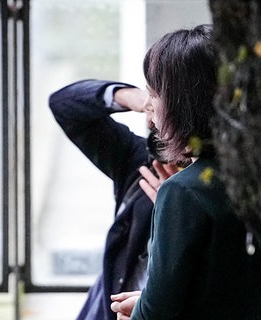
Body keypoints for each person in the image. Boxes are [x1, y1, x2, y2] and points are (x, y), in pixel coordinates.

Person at [110, 25, 261, 319]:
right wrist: (148, 300)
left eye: (154, 94)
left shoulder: (182, 191)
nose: (149, 107)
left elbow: (157, 314)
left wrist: (142, 309)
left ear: (184, 103)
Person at [49, 79, 178, 320]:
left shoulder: (221, 190)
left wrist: (177, 207)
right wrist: (136, 99)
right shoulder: (142, 163)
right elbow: (63, 104)